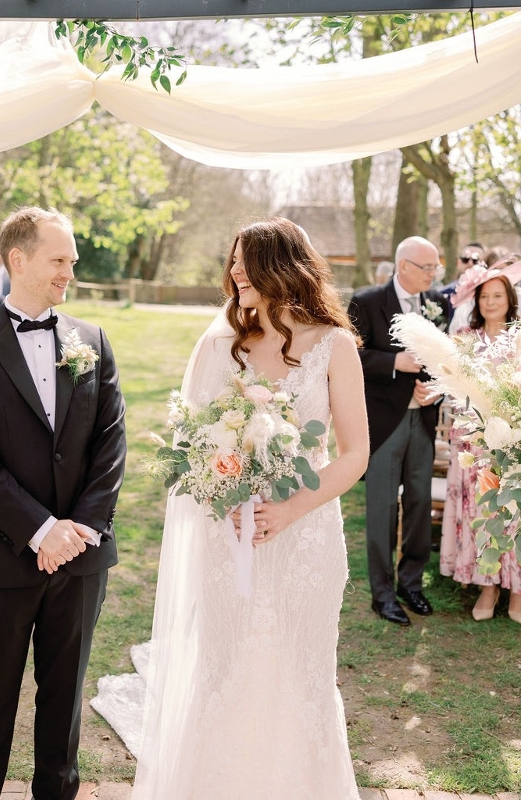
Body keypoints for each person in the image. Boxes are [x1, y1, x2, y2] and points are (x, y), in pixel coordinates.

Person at [131, 217, 368, 800]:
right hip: (227, 536)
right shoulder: (219, 346)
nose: (233, 272)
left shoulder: (334, 345)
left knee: (302, 672)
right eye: (231, 261)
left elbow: (355, 453)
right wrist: (221, 498)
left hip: (306, 537)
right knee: (225, 665)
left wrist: (292, 510)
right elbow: (192, 447)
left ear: (282, 267)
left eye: (246, 261)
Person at [0, 206, 126, 800]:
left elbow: (110, 442)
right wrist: (41, 529)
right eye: (60, 259)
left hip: (81, 558)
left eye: (71, 260)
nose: (70, 270)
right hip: (3, 557)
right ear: (17, 260)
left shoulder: (92, 340)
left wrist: (82, 529)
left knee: (64, 703)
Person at [348, 236, 450, 626]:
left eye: (436, 268)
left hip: (422, 421)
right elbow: (351, 356)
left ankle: (412, 583)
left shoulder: (438, 304)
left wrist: (434, 389)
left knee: (421, 504)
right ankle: (383, 594)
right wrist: (395, 363)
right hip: (384, 421)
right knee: (383, 509)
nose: (434, 274)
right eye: (428, 267)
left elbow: (444, 361)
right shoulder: (368, 301)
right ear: (403, 266)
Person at [440, 264, 521, 622]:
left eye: (497, 296)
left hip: (514, 441)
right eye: (484, 296)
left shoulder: (519, 335)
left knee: (514, 516)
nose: (490, 302)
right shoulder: (464, 337)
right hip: (476, 444)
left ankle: (517, 591)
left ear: (510, 299)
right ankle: (487, 586)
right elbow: (454, 391)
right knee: (484, 514)